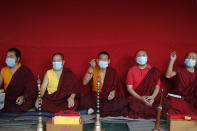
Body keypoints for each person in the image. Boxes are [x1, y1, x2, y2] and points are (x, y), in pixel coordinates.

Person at [80, 51, 128, 117]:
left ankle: (94, 109)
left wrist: (113, 92)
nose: (103, 61)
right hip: (95, 97)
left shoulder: (112, 72)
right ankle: (101, 109)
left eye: (105, 60)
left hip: (108, 98)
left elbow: (117, 87)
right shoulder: (93, 69)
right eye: (101, 59)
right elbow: (84, 82)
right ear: (97, 60)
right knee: (83, 100)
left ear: (109, 61)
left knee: (123, 101)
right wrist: (91, 67)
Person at [127, 49, 171, 119]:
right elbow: (129, 88)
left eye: (143, 55)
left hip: (151, 96)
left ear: (147, 57)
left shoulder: (153, 71)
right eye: (139, 56)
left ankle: (150, 109)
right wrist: (141, 98)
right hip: (137, 97)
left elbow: (157, 86)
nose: (141, 57)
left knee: (166, 103)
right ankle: (154, 111)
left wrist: (152, 97)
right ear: (135, 59)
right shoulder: (131, 70)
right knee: (132, 105)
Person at [0, 48, 37, 113]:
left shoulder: (25, 71)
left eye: (11, 56)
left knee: (29, 102)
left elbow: (32, 89)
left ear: (18, 59)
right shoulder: (3, 70)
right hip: (7, 99)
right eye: (7, 57)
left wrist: (23, 97)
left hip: (20, 99)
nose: (8, 59)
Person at [165, 51, 197, 115]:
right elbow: (168, 75)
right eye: (189, 57)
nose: (191, 59)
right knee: (169, 105)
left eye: (193, 58)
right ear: (185, 59)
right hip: (177, 98)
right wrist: (172, 60)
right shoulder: (178, 69)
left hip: (191, 100)